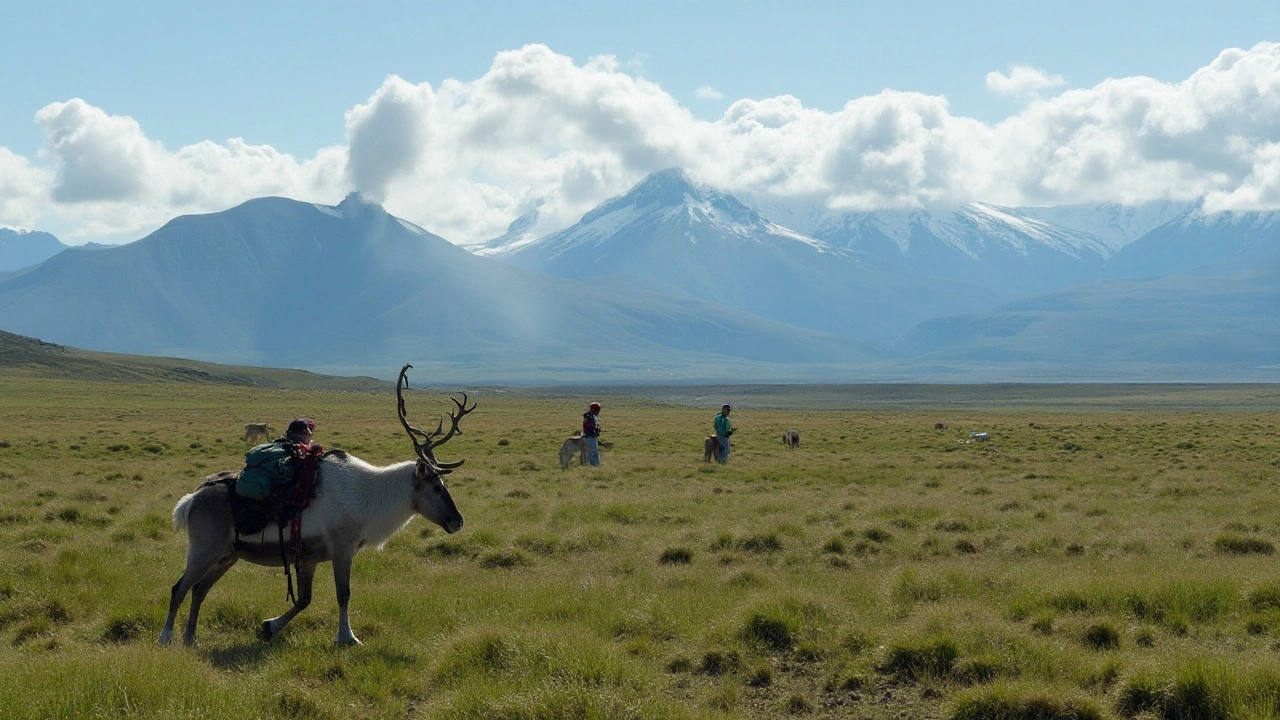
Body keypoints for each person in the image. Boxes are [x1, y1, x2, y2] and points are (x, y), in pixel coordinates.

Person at [582, 402, 602, 466]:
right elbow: (592, 427)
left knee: (589, 452)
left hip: (586, 436)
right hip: (591, 436)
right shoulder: (591, 417)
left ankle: (589, 464)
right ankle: (594, 465)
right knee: (593, 452)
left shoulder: (588, 416)